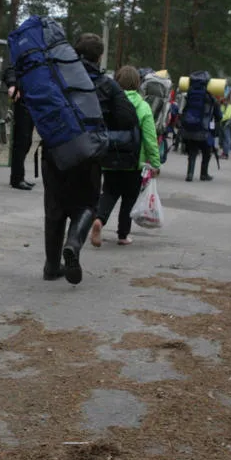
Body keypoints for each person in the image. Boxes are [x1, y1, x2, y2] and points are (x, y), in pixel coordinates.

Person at [40, 33, 138, 284]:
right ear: (99, 56)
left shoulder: (56, 76)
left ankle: (52, 267)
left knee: (54, 207)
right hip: (87, 153)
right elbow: (128, 119)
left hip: (54, 150)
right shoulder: (107, 84)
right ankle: (73, 244)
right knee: (86, 203)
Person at [92, 66, 161, 247]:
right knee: (129, 198)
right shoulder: (143, 106)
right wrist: (155, 162)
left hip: (110, 158)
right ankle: (123, 235)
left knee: (108, 192)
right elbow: (150, 137)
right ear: (138, 83)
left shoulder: (109, 103)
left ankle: (99, 219)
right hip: (133, 162)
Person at [179, 72, 221, 183]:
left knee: (192, 152)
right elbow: (219, 116)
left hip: (189, 128)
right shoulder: (210, 97)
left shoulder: (189, 94)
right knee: (206, 152)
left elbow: (183, 110)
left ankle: (190, 174)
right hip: (204, 130)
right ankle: (203, 174)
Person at [2, 62, 35, 191]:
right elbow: (11, 69)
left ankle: (19, 176)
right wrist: (12, 85)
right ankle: (17, 178)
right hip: (24, 100)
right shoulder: (25, 55)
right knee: (22, 141)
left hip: (33, 100)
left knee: (27, 141)